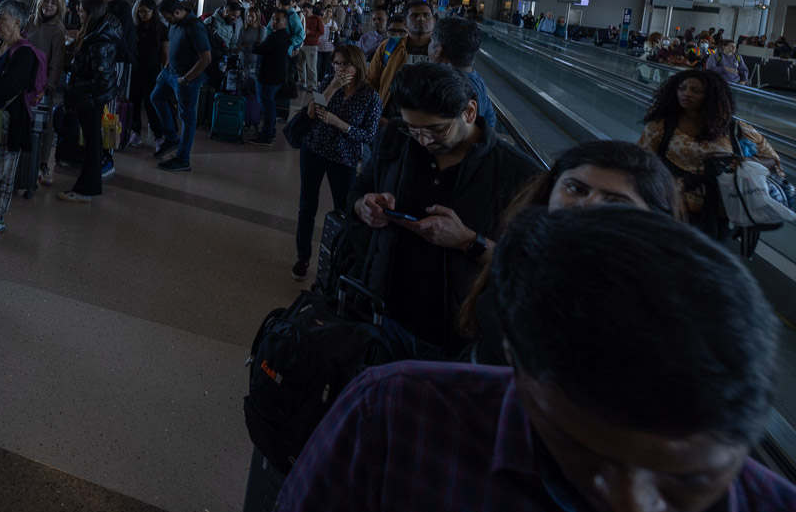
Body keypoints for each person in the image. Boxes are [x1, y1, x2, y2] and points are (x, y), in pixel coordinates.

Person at [277, 206, 796, 512]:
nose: (629, 503)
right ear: (516, 363)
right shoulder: (396, 417)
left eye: (686, 482)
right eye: (585, 453)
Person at [347, 64, 542, 354]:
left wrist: (467, 241)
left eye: (436, 130)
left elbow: (533, 267)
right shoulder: (398, 138)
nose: (423, 141)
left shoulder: (519, 176)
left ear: (470, 112)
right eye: (414, 128)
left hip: (458, 340)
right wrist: (362, 206)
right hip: (382, 315)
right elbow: (359, 189)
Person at [459, 139, 680, 364]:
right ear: (552, 187)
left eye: (616, 202)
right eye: (576, 189)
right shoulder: (526, 246)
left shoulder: (646, 299)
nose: (585, 205)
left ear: (651, 219)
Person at [638, 68, 780, 239]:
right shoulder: (661, 127)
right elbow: (641, 162)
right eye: (682, 88)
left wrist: (747, 161)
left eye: (695, 90)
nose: (686, 93)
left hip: (722, 209)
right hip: (673, 204)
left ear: (711, 96)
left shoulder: (734, 128)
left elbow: (772, 159)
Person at [293, 46, 381, 282]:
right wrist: (333, 86)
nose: (340, 69)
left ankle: (341, 261)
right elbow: (313, 111)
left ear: (357, 66)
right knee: (306, 206)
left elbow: (369, 136)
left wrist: (340, 124)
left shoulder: (371, 97)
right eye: (336, 64)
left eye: (345, 65)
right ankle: (302, 257)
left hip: (344, 159)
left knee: (344, 209)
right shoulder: (326, 83)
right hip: (314, 150)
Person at [0, 0, 41, 237]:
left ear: (17, 22)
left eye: (1, 18)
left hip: (8, 122)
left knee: (3, 173)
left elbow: (7, 87)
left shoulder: (24, 53)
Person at [59, 0, 122, 201]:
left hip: (91, 98)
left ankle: (86, 189)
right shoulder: (98, 33)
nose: (79, 13)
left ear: (91, 13)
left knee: (93, 143)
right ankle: (88, 186)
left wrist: (75, 87)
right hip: (90, 96)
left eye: (82, 10)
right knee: (92, 142)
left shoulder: (100, 41)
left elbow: (100, 79)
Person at [149, 0, 211, 173]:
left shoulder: (195, 28)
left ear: (177, 12)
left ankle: (183, 159)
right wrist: (167, 67)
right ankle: (171, 137)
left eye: (168, 17)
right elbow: (175, 45)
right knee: (156, 98)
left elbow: (206, 59)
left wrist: (187, 79)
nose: (167, 21)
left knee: (187, 119)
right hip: (170, 73)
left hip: (186, 80)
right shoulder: (175, 22)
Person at [27, 0, 69, 185]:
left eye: (53, 3)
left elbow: (57, 62)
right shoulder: (31, 22)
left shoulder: (57, 30)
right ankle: (27, 162)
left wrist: (49, 85)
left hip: (43, 84)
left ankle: (43, 164)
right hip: (26, 82)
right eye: (46, 1)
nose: (48, 5)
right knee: (27, 122)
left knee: (45, 125)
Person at [364, 0, 434, 108]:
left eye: (426, 15)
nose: (421, 19)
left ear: (433, 21)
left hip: (427, 118)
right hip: (389, 116)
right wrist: (375, 113)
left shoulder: (442, 50)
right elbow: (372, 81)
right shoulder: (389, 46)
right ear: (405, 23)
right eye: (414, 16)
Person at [429, 17, 494, 131]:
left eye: (431, 41)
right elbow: (490, 119)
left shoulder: (442, 88)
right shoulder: (478, 80)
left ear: (438, 50)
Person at [247, 8, 299, 146]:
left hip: (269, 77)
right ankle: (270, 132)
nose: (274, 22)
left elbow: (258, 49)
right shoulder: (284, 36)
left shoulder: (275, 37)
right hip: (276, 77)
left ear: (285, 23)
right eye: (273, 18)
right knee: (269, 106)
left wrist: (255, 44)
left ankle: (267, 135)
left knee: (267, 107)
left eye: (278, 19)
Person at [128, 0, 166, 148]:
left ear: (153, 12)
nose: (143, 14)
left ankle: (158, 136)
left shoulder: (161, 29)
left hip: (152, 70)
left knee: (151, 103)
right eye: (140, 11)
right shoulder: (135, 27)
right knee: (134, 101)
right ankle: (135, 132)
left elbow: (164, 53)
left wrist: (166, 71)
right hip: (136, 69)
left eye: (146, 11)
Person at [96, 0, 137, 106]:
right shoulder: (102, 5)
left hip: (118, 57)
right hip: (104, 55)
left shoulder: (123, 8)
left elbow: (120, 35)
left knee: (112, 93)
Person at [299, 4, 324, 91]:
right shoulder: (301, 18)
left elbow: (321, 32)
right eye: (303, 11)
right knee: (300, 65)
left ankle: (312, 85)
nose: (304, 13)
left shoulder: (317, 19)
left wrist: (310, 32)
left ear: (311, 9)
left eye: (306, 11)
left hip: (312, 45)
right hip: (301, 44)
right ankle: (303, 82)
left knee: (311, 66)